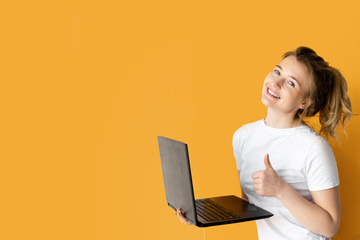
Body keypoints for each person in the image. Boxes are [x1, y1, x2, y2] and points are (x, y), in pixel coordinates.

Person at [177, 46, 352, 239]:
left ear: (305, 102)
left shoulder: (314, 147)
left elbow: (330, 227)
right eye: (277, 71)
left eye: (291, 83)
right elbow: (250, 205)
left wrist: (281, 189)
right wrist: (200, 213)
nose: (275, 83)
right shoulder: (243, 136)